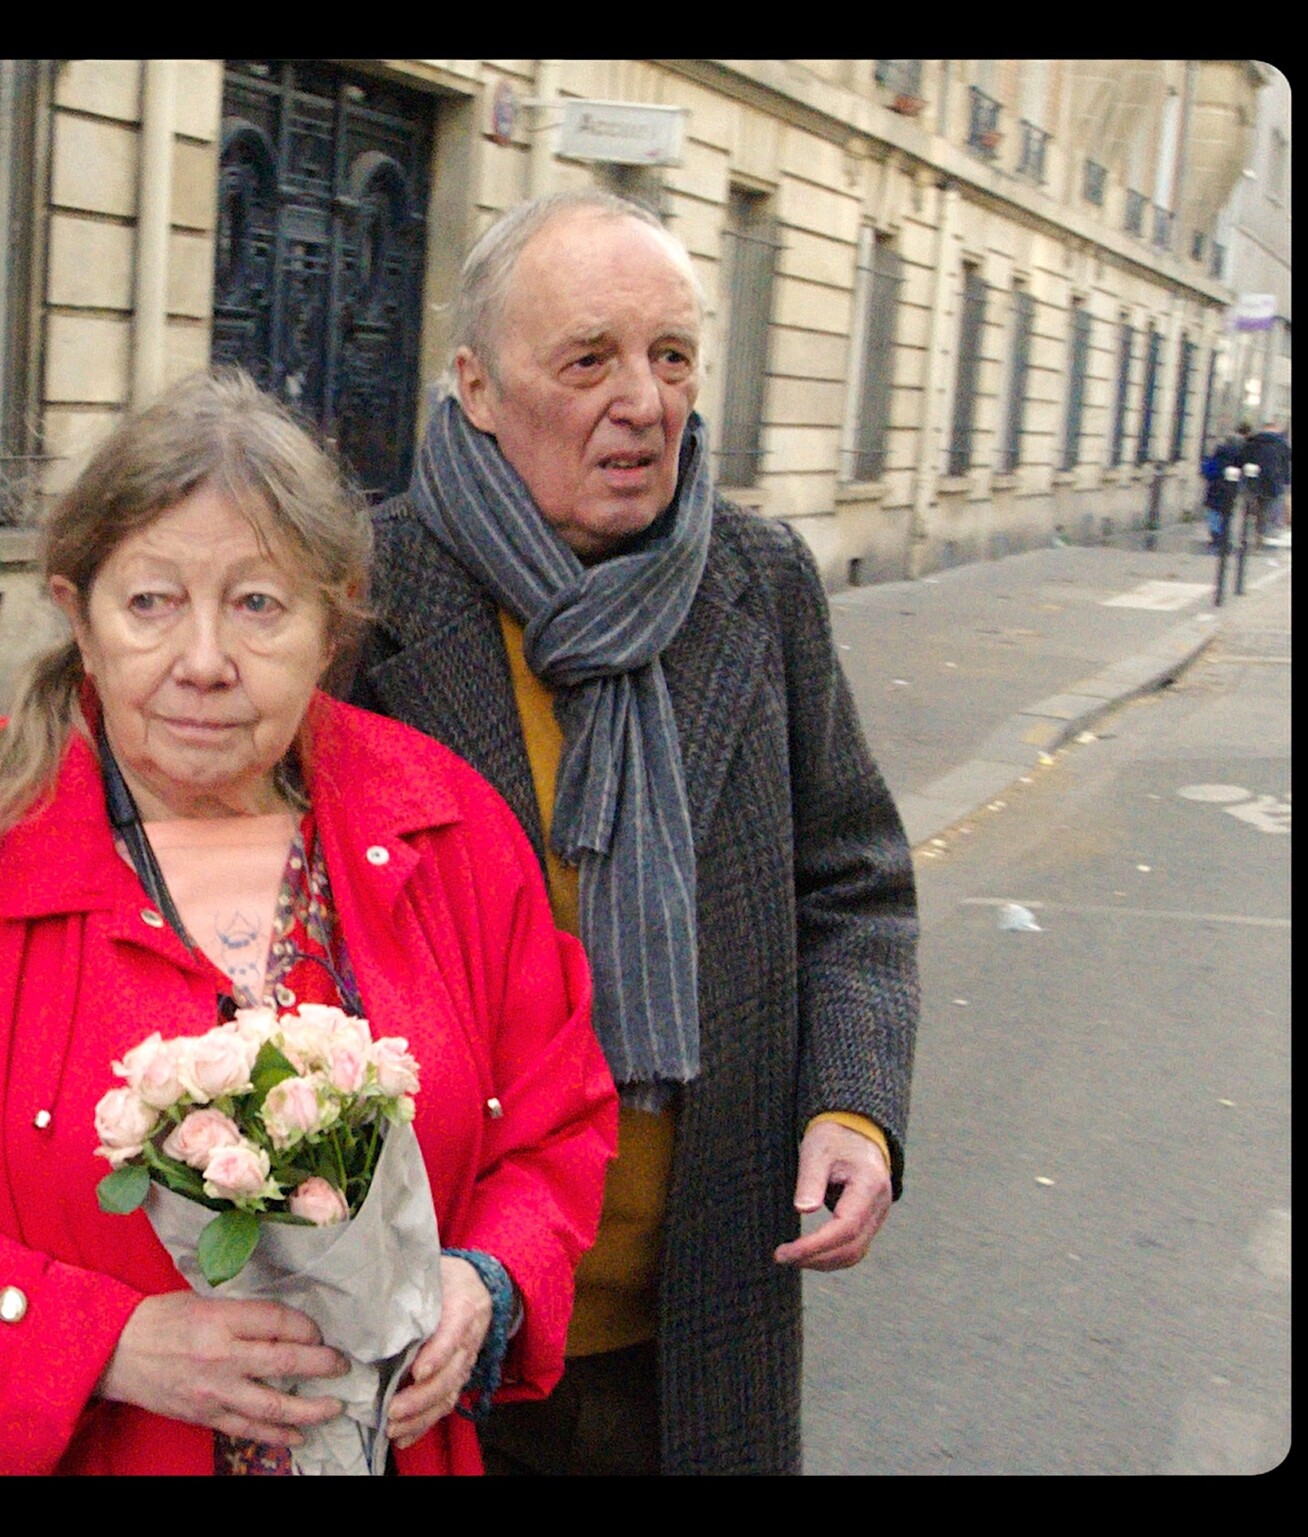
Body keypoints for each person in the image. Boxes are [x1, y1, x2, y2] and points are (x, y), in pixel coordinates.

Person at [0, 370, 618, 1476]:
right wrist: (99, 1343)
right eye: (150, 601)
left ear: (330, 621)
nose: (203, 662)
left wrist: (483, 1281)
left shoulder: (445, 827)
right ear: (78, 615)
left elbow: (553, 1120)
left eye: (258, 604)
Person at [348, 190, 920, 1475]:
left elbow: (854, 882)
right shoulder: (358, 597)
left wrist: (852, 1105)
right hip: (427, 1320)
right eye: (589, 359)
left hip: (699, 1307)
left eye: (670, 356)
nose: (645, 401)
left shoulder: (756, 583)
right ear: (476, 386)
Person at [1202, 425, 1248, 551]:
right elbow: (1243, 473)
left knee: (1213, 510)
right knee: (1226, 512)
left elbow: (1208, 470)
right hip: (1230, 487)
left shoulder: (1218, 453)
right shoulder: (1240, 456)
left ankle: (1215, 534)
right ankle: (1223, 535)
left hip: (1215, 485)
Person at [1242, 418, 1290, 535]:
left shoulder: (1252, 442)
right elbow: (1286, 461)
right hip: (1273, 481)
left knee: (1250, 504)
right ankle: (1261, 531)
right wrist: (1286, 480)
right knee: (1267, 508)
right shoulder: (1281, 443)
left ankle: (1246, 530)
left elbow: (1243, 459)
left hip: (1253, 479)